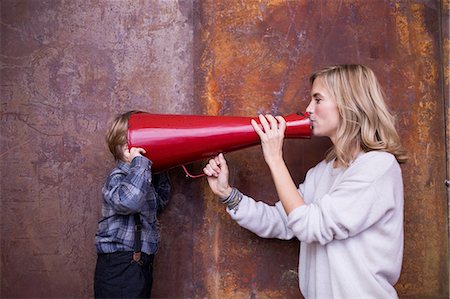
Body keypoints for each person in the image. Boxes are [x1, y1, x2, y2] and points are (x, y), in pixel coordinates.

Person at [203, 64, 407, 298]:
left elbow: (311, 226)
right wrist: (228, 194)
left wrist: (275, 159)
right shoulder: (323, 172)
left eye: (318, 99)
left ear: (350, 104)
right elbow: (284, 220)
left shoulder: (378, 167)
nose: (308, 109)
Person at [94, 110, 171, 298]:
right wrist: (141, 165)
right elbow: (129, 202)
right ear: (126, 148)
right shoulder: (117, 177)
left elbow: (159, 202)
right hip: (119, 267)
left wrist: (161, 168)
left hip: (139, 266)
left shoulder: (143, 179)